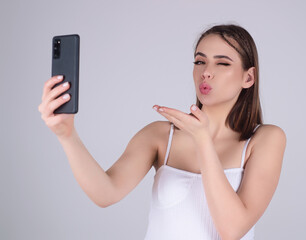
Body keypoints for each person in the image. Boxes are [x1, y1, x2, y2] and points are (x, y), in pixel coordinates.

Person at [38, 23, 286, 240]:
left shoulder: (265, 139)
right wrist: (66, 134)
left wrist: (202, 140)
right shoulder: (160, 135)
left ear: (248, 77)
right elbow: (106, 193)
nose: (206, 71)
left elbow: (232, 230)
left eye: (222, 63)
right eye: (200, 61)